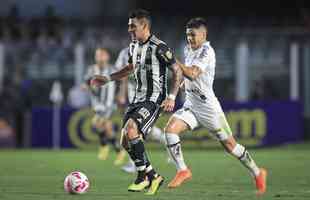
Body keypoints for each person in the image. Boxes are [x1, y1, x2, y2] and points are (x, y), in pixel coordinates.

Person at [164, 18, 267, 195]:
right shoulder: (189, 49)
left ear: (204, 35)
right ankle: (183, 170)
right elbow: (184, 76)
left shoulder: (207, 52)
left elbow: (193, 74)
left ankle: (257, 173)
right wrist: (174, 94)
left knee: (230, 146)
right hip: (191, 105)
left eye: (193, 35)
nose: (190, 38)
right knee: (170, 130)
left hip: (208, 108)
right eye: (188, 35)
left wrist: (173, 60)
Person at [90, 9, 182, 195]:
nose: (130, 30)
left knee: (132, 129)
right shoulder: (133, 46)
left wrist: (172, 97)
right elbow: (130, 68)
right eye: (129, 26)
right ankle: (149, 175)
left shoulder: (160, 47)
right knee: (125, 141)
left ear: (145, 26)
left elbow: (178, 71)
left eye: (133, 26)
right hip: (137, 99)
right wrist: (107, 78)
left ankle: (144, 177)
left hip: (154, 99)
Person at [115, 45, 172, 174]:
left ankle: (136, 165)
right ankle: (170, 145)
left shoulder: (153, 49)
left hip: (149, 99)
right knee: (141, 132)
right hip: (133, 98)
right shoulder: (125, 52)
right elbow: (124, 74)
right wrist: (122, 93)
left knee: (133, 132)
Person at [83, 47, 126, 165]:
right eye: (97, 55)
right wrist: (86, 86)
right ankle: (118, 150)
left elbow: (122, 81)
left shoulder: (113, 69)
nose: (99, 58)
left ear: (107, 56)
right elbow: (87, 82)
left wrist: (121, 95)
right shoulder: (91, 69)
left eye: (101, 55)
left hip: (109, 104)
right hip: (96, 104)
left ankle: (104, 145)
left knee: (96, 123)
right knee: (106, 127)